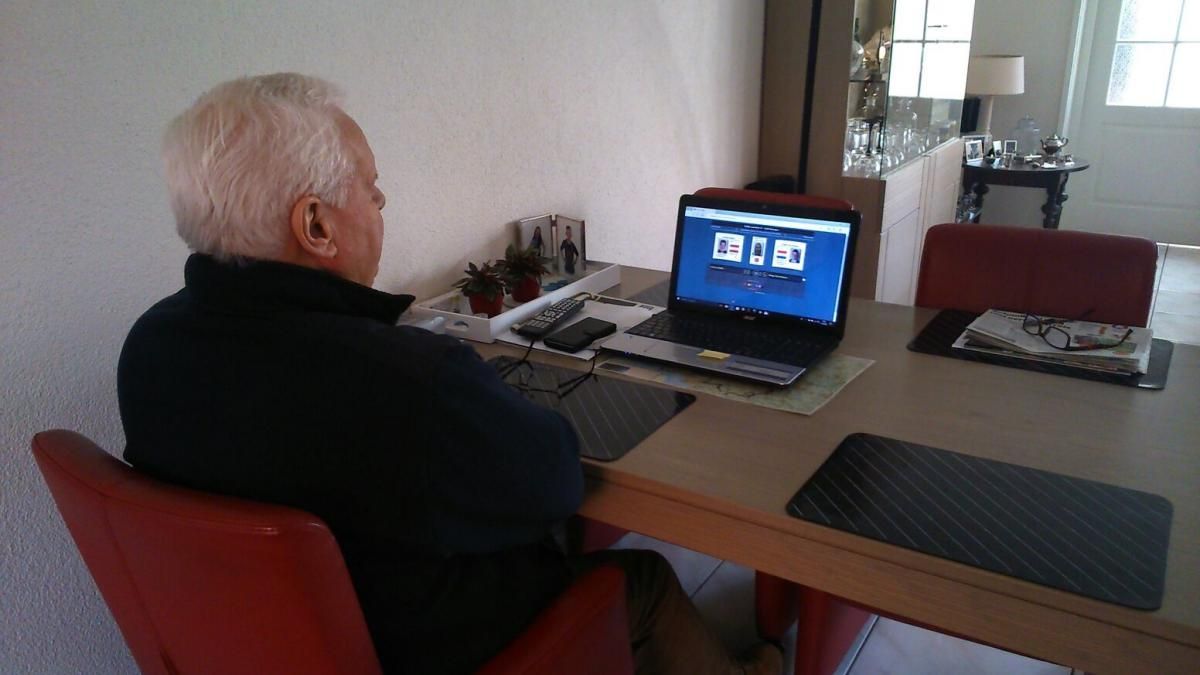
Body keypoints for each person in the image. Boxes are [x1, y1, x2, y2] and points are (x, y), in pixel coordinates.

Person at [118, 73, 781, 675]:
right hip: (434, 648)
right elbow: (553, 480)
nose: (381, 205)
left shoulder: (146, 351)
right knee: (645, 580)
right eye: (370, 189)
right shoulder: (408, 382)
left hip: (267, 647)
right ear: (316, 225)